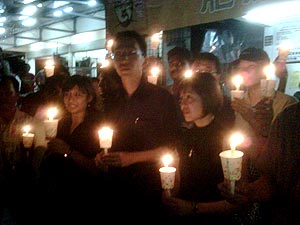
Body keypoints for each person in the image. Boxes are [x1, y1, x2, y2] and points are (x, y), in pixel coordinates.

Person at [94, 30, 181, 225]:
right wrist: (101, 156)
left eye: (131, 53)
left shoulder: (161, 98)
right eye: (118, 54)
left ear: (143, 59)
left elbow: (172, 148)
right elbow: (107, 140)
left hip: (149, 187)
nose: (124, 59)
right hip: (116, 188)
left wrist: (131, 158)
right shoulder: (111, 101)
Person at [229, 47, 298, 224]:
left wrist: (253, 119)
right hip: (242, 176)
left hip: (272, 183)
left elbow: (282, 154)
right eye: (240, 68)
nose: (243, 72)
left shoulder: (286, 104)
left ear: (264, 69)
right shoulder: (237, 102)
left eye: (250, 67)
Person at [162, 72, 236, 225]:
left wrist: (194, 208)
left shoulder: (226, 140)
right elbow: (180, 179)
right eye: (181, 99)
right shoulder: (184, 136)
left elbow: (237, 201)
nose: (183, 105)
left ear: (207, 97)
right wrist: (169, 191)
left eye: (189, 97)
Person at [37, 75, 103, 225]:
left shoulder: (96, 124)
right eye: (67, 94)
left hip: (83, 194)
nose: (70, 99)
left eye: (77, 95)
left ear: (90, 98)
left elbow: (97, 168)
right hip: (58, 191)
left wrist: (68, 151)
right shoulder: (62, 123)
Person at [0, 75, 46, 225]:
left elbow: (40, 149)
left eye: (9, 93)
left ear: (17, 95)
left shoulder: (30, 122)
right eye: (0, 94)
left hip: (22, 184)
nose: (4, 98)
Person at [191, 52, 235, 130]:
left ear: (218, 76)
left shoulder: (228, 105)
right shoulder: (182, 101)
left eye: (207, 72)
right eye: (197, 71)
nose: (201, 76)